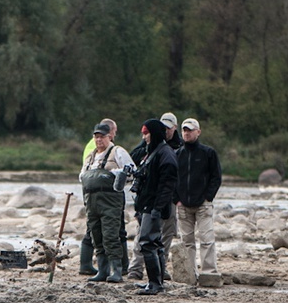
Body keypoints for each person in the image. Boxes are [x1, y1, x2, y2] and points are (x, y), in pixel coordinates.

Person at [127, 112, 182, 280]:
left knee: (153, 241)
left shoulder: (169, 151)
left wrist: (159, 207)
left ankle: (156, 278)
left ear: (174, 128)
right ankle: (139, 271)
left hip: (160, 202)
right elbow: (133, 158)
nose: (145, 137)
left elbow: (167, 184)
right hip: (148, 202)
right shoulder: (149, 148)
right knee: (146, 239)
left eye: (147, 133)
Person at [79, 121, 134, 283]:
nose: (98, 140)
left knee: (111, 235)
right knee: (97, 236)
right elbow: (82, 176)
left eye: (102, 137)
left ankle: (117, 270)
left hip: (110, 201)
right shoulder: (90, 157)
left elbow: (132, 172)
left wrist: (116, 174)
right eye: (96, 137)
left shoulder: (117, 151)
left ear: (109, 137)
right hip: (91, 201)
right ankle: (102, 271)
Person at [173, 118, 222, 279]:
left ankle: (209, 273)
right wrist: (176, 200)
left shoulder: (208, 153)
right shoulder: (177, 154)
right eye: (184, 130)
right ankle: (190, 273)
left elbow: (216, 177)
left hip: (203, 204)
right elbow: (170, 178)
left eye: (190, 130)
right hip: (183, 205)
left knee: (207, 239)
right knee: (186, 241)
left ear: (198, 132)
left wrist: (208, 197)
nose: (187, 133)